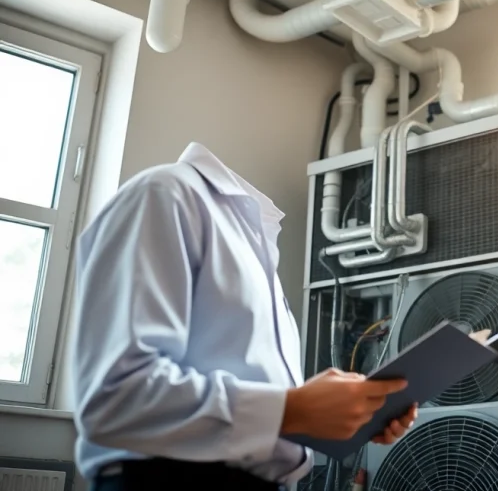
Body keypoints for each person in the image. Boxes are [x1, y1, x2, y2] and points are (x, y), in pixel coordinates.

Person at [70, 142, 416, 491]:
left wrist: (340, 416)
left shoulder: (253, 244)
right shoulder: (164, 194)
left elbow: (260, 421)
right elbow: (117, 397)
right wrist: (291, 410)